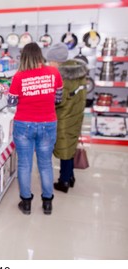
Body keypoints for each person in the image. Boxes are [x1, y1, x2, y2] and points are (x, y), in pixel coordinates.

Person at [7, 42, 63, 215]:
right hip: (48, 123)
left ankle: (26, 203)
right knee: (45, 164)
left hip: (24, 124)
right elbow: (58, 98)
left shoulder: (19, 76)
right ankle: (47, 203)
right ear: (41, 55)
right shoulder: (54, 73)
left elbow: (11, 102)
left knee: (24, 165)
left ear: (24, 57)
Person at [46, 43, 88, 193]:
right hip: (76, 115)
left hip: (64, 117)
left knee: (65, 149)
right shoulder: (78, 72)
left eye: (49, 60)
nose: (48, 63)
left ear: (57, 61)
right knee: (70, 147)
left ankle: (63, 181)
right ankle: (70, 176)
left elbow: (59, 101)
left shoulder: (63, 77)